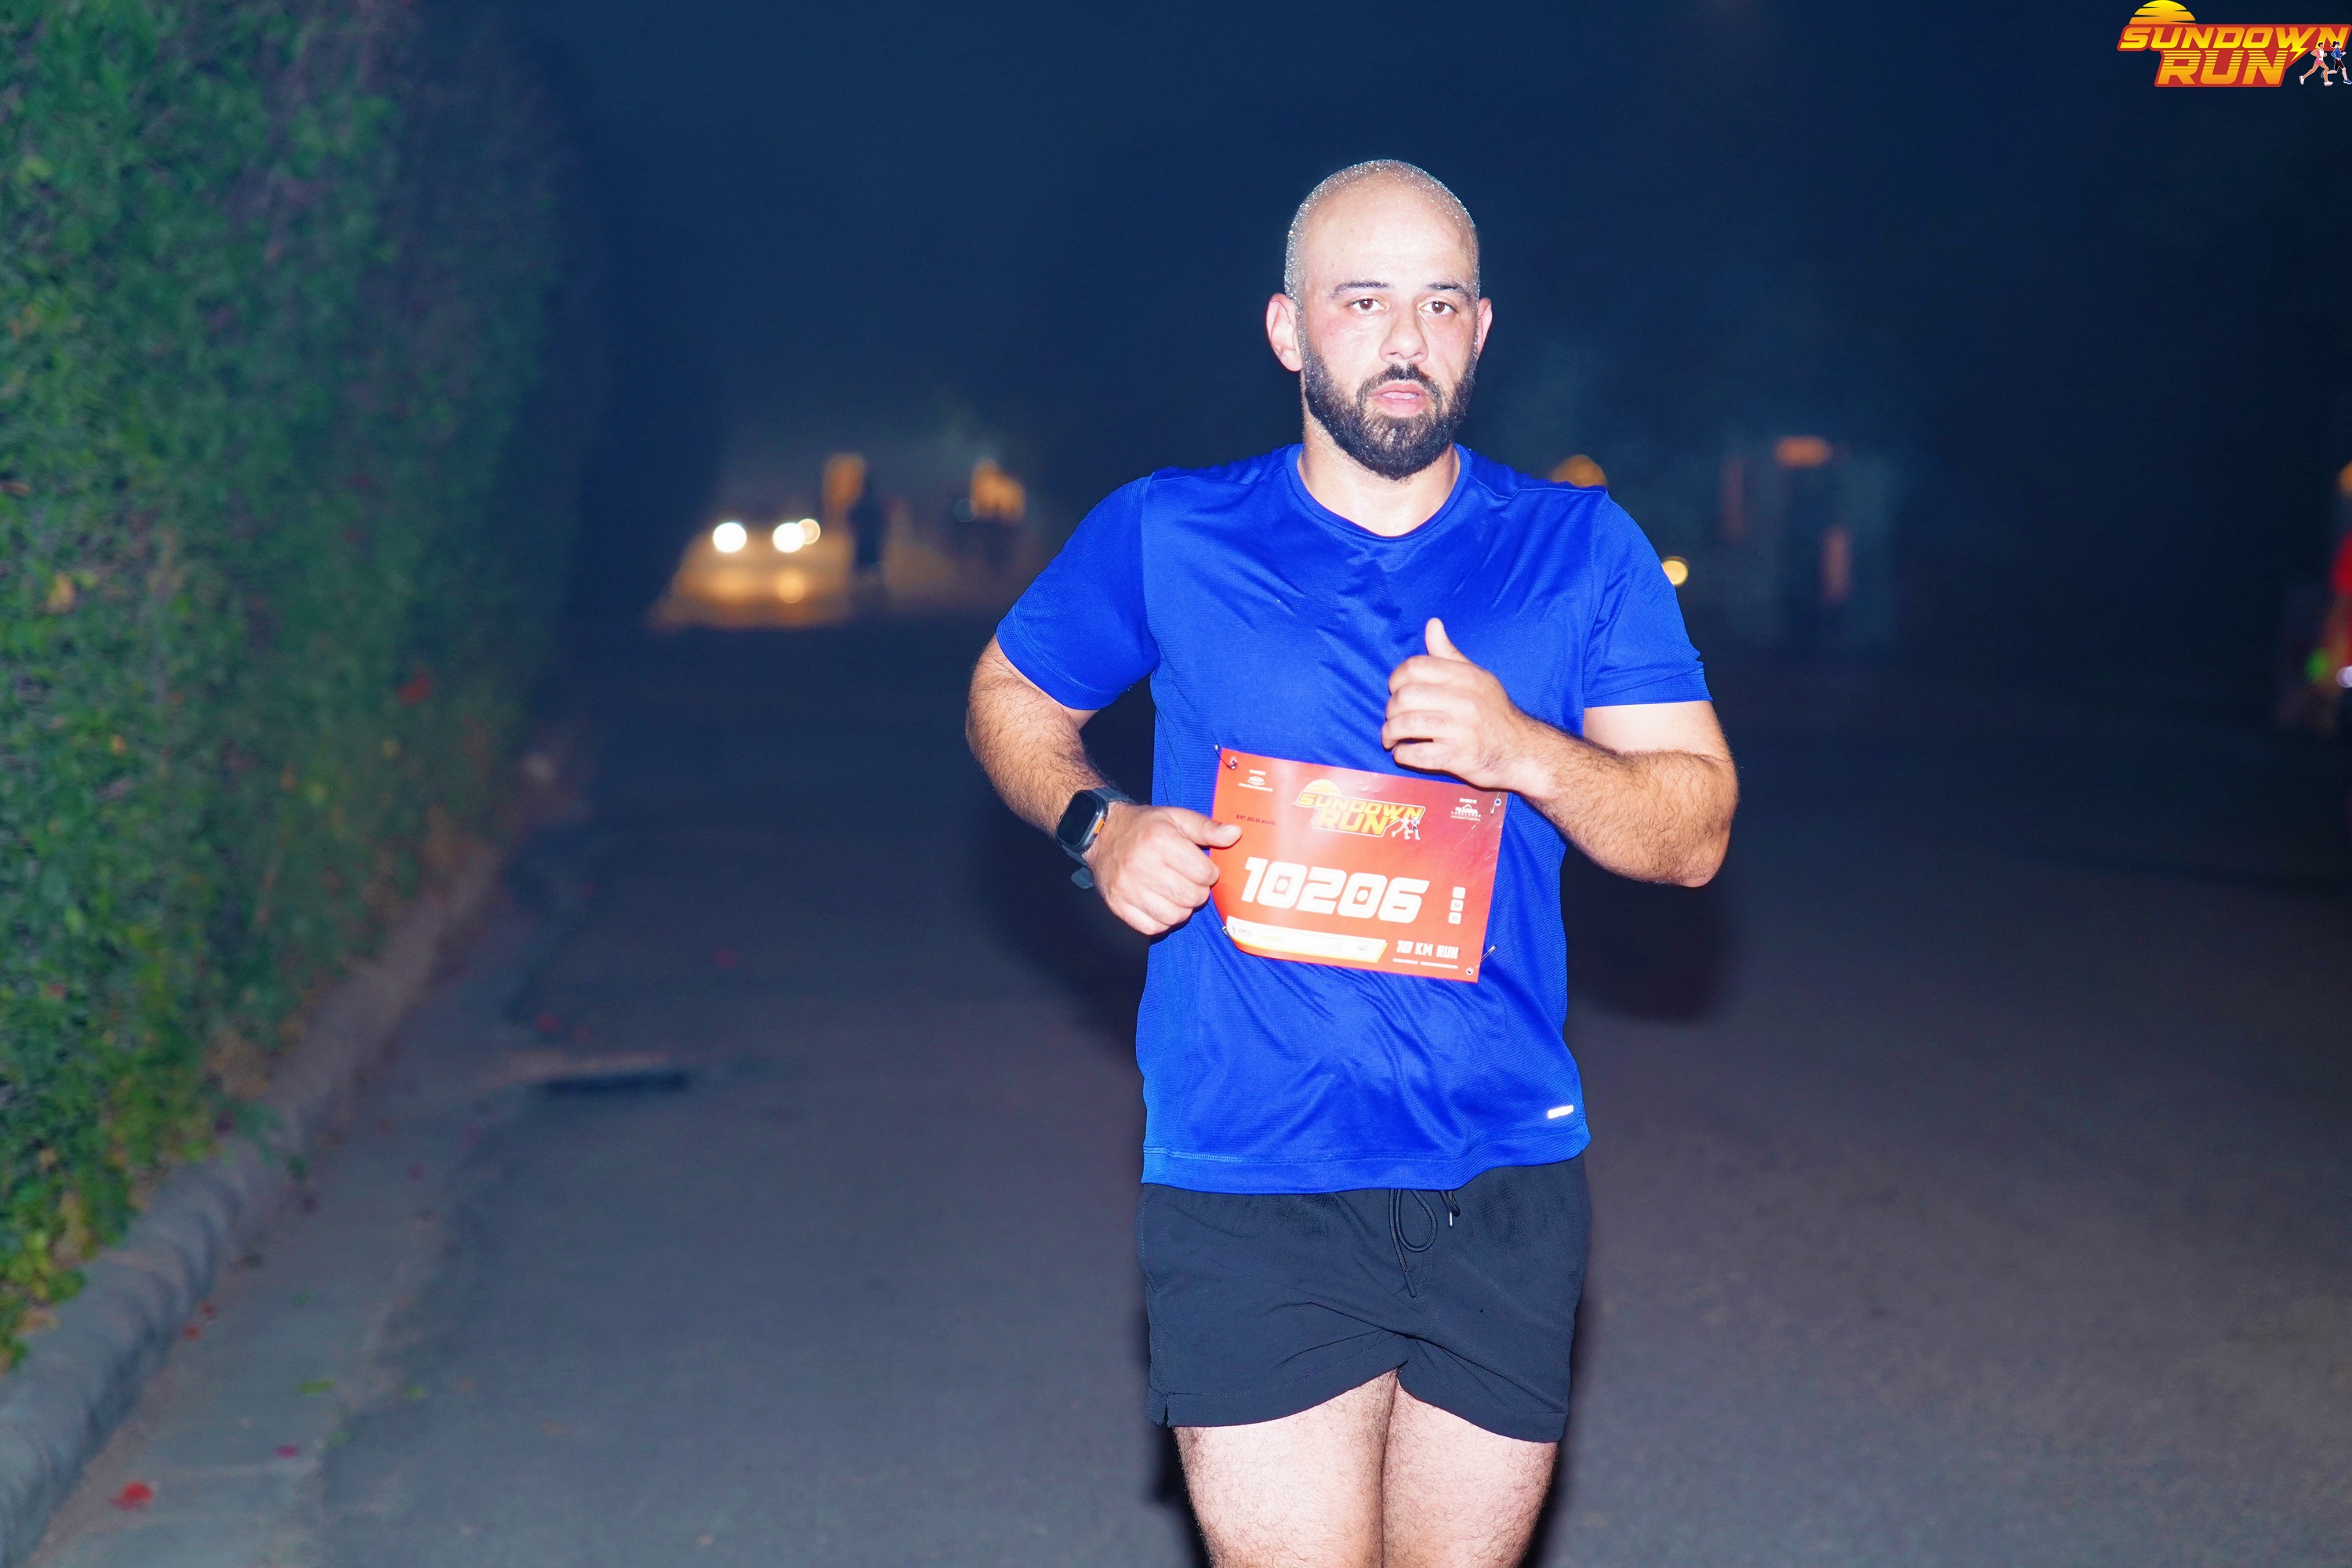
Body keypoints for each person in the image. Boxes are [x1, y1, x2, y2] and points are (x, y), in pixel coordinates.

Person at [965, 161, 1736, 1566]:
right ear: (1287, 328)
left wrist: (1522, 749)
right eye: (1363, 300)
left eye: (1440, 304)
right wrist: (1099, 825)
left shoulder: (1578, 548)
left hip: (1503, 1170)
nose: (1404, 339)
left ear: (1481, 332)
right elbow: (1011, 693)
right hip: (1251, 1169)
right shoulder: (1171, 531)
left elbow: (1693, 835)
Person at [850, 474, 887, 579]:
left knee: (866, 561)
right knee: (872, 561)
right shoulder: (872, 502)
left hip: (866, 536)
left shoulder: (862, 501)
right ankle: (874, 580)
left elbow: (852, 516)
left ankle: (862, 580)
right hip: (869, 537)